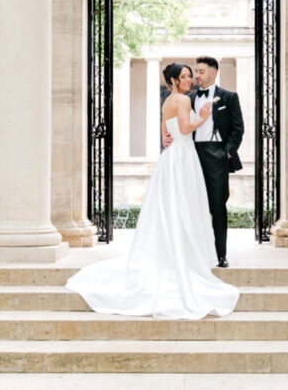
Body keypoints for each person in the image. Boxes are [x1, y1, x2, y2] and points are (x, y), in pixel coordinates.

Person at [65, 63, 239, 320]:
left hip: (171, 157)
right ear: (173, 80)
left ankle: (176, 250)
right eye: (184, 76)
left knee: (171, 208)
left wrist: (169, 138)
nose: (189, 80)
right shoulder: (182, 100)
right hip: (183, 158)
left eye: (190, 76)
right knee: (185, 207)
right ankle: (185, 255)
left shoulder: (168, 101)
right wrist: (202, 117)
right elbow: (183, 129)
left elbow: (165, 132)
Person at [163, 56, 244, 268]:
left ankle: (220, 255)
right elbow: (176, 121)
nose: (195, 76)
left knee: (217, 206)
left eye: (199, 72)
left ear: (212, 73)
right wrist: (166, 136)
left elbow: (238, 129)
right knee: (191, 205)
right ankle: (193, 254)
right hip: (192, 152)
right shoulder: (187, 97)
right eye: (193, 72)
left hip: (216, 154)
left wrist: (226, 153)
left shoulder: (228, 96)